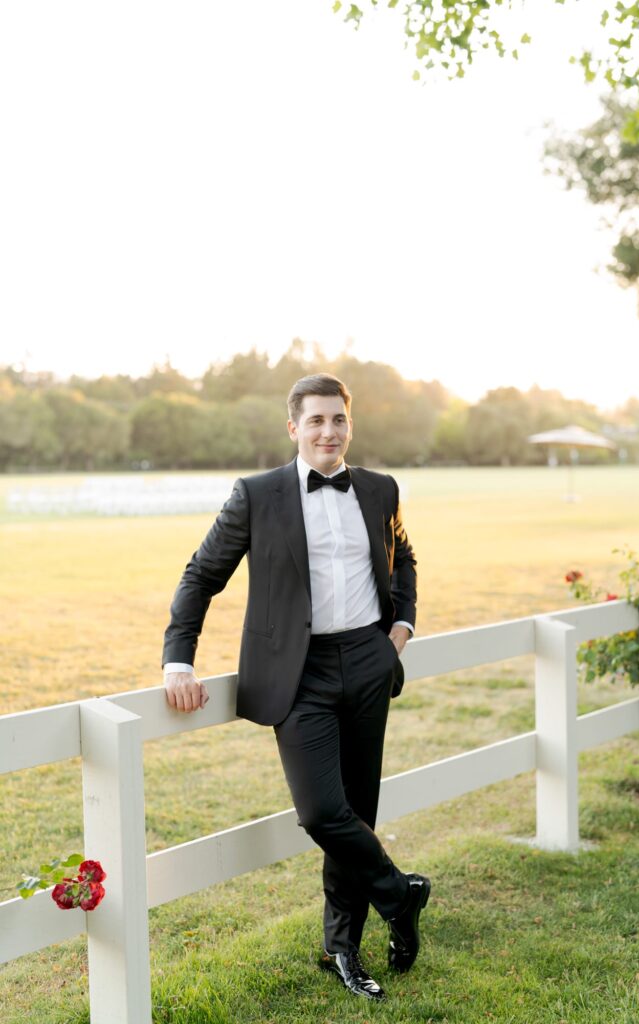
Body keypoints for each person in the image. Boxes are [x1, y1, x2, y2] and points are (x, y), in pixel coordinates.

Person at [162, 372, 430, 1001]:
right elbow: (202, 573)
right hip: (297, 674)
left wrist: (402, 623)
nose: (328, 432)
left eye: (338, 420)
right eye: (316, 421)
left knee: (357, 811)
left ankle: (343, 948)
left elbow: (406, 557)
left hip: (367, 660)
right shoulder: (256, 495)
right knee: (322, 812)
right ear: (293, 428)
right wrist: (179, 659)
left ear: (350, 425)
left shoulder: (380, 489)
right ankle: (402, 896)